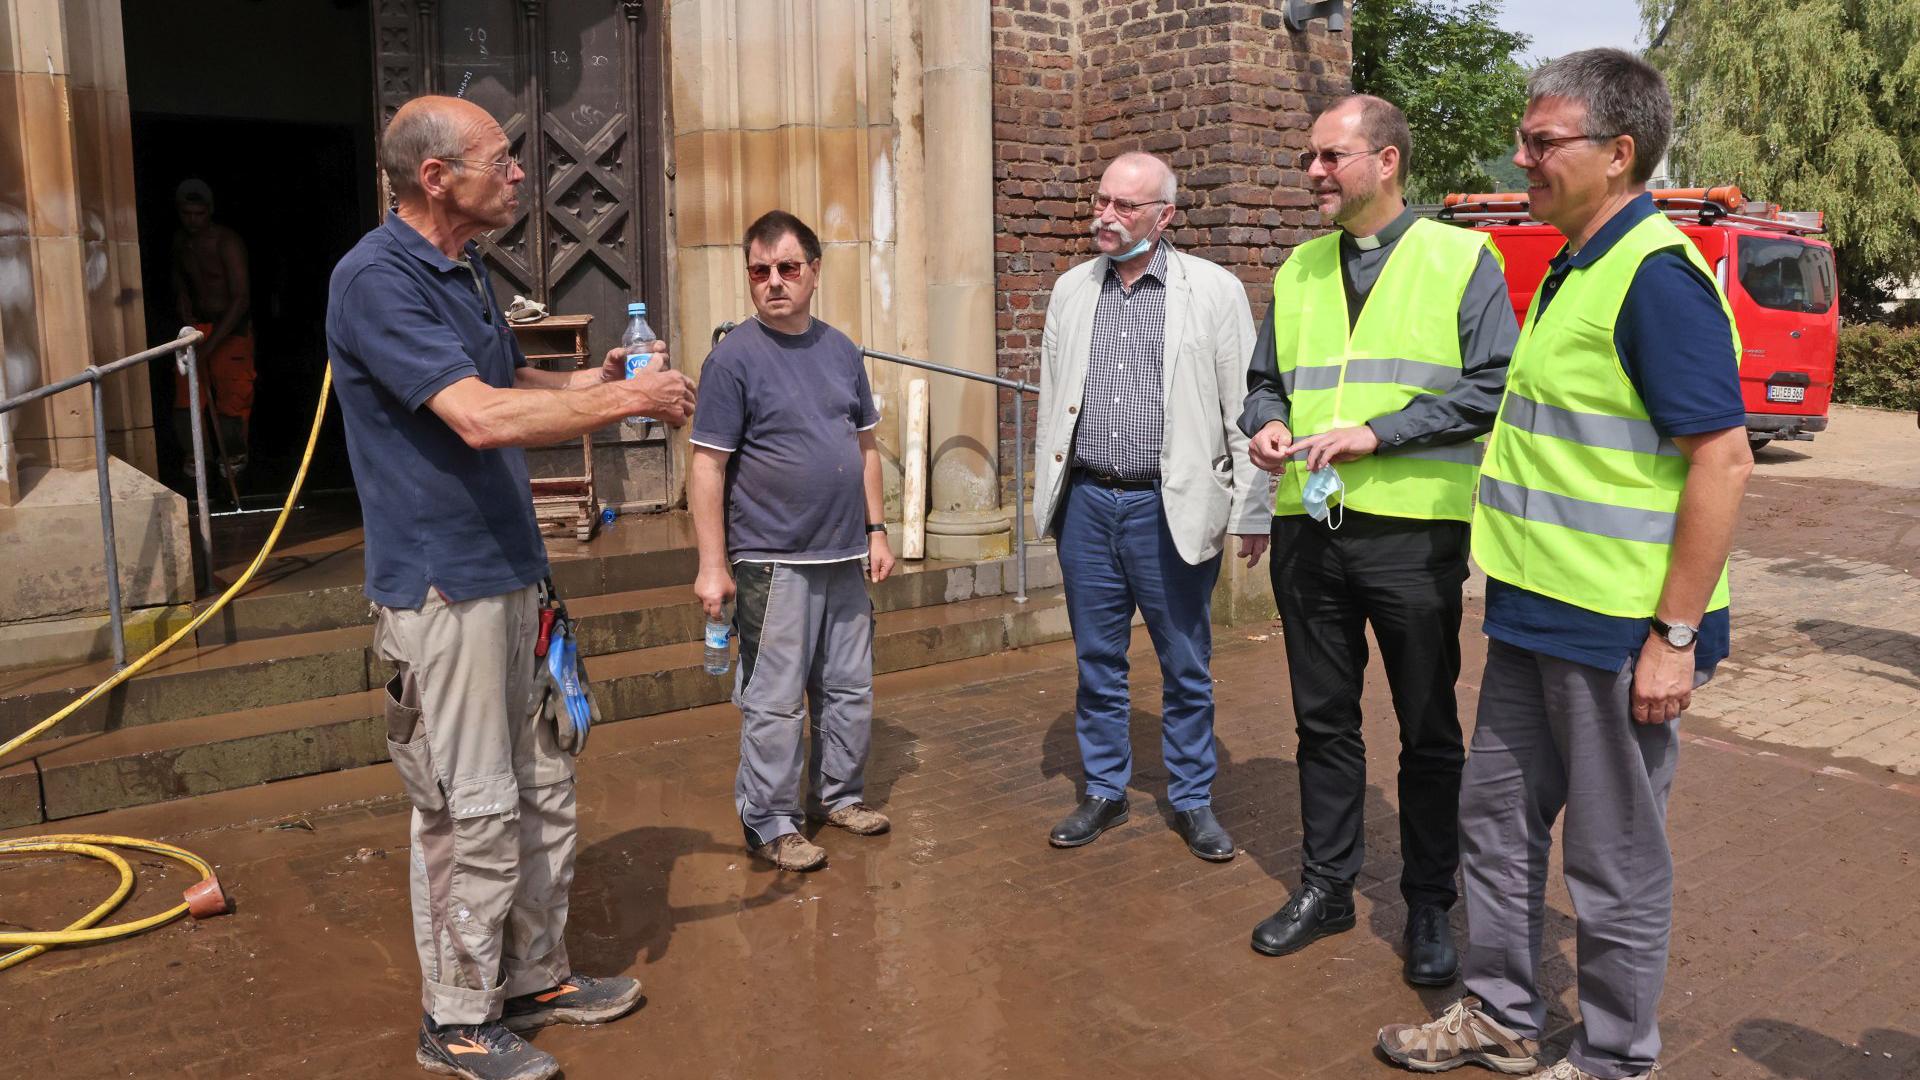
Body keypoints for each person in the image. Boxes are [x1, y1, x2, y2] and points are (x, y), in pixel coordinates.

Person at [1377, 49, 1753, 1080]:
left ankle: (1614, 1058)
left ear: (1618, 153)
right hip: (1533, 616)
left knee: (1611, 860)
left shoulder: (1655, 278)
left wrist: (1674, 638)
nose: (1523, 157)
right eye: (1526, 138)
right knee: (1493, 825)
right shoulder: (1577, 264)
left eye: (1543, 141)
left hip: (1619, 634)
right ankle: (1502, 1016)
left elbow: (1722, 459)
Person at [325, 94, 696, 1080]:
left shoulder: (465, 268)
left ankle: (532, 976)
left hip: (514, 577)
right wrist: (633, 402)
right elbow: (477, 420)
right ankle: (454, 1020)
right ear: (437, 177)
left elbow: (513, 388)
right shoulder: (376, 282)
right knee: (471, 808)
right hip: (444, 593)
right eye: (502, 159)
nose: (522, 174)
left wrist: (599, 380)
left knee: (542, 786)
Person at [1238, 95, 1516, 984]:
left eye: (1331, 157)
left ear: (1387, 162)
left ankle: (1431, 905)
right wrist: (1265, 424)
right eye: (1309, 158)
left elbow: (1492, 386)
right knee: (1323, 724)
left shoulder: (1463, 257)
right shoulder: (1298, 270)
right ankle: (1326, 887)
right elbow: (1264, 382)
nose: (1313, 173)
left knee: (1429, 729)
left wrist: (1379, 432)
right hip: (1309, 527)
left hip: (1414, 534)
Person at [1030, 151, 1268, 862]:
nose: (1105, 215)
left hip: (1169, 507)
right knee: (1097, 660)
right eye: (1101, 200)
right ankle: (1104, 789)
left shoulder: (1215, 291)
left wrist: (1255, 510)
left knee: (1185, 661)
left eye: (1124, 206)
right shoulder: (1072, 290)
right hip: (1088, 505)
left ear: (1164, 216)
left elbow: (1243, 408)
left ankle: (1192, 798)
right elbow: (1053, 399)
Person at [688, 210, 896, 874]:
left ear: (814, 270)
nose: (773, 281)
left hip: (843, 554)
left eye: (787, 268)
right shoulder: (733, 359)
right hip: (773, 559)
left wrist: (878, 529)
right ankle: (770, 822)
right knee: (773, 700)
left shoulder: (841, 350)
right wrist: (712, 566)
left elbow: (865, 447)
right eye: (759, 270)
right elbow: (707, 466)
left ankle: (838, 795)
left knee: (848, 688)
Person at [170, 179, 254, 485]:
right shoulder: (181, 241)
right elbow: (180, 278)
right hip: (198, 328)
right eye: (187, 213)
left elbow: (241, 298)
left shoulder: (226, 242)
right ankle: (197, 460)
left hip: (230, 329)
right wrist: (184, 307)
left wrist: (211, 344)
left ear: (209, 212)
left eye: (199, 214)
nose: (193, 220)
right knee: (186, 396)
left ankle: (233, 458)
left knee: (232, 399)